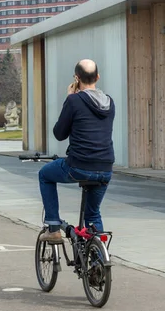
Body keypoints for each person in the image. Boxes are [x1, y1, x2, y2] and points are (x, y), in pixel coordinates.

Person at [38, 59, 115, 243]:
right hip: (105, 168)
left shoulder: (74, 100)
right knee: (93, 213)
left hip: (79, 166)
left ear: (76, 78)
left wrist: (69, 99)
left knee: (44, 175)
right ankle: (98, 262)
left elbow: (59, 134)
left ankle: (54, 227)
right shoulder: (109, 102)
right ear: (97, 77)